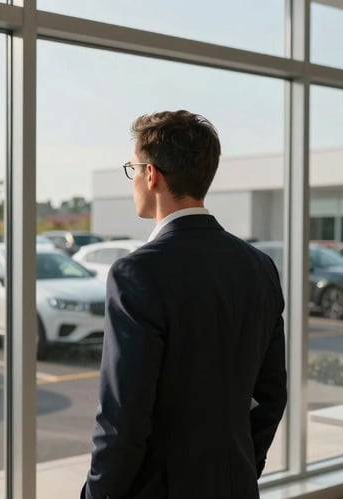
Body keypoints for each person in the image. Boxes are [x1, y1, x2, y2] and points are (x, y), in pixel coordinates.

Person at [82, 110, 287, 499]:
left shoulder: (137, 272)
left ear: (152, 174)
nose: (134, 180)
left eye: (133, 168)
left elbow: (123, 417)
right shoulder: (260, 267)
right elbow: (272, 393)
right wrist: (243, 465)